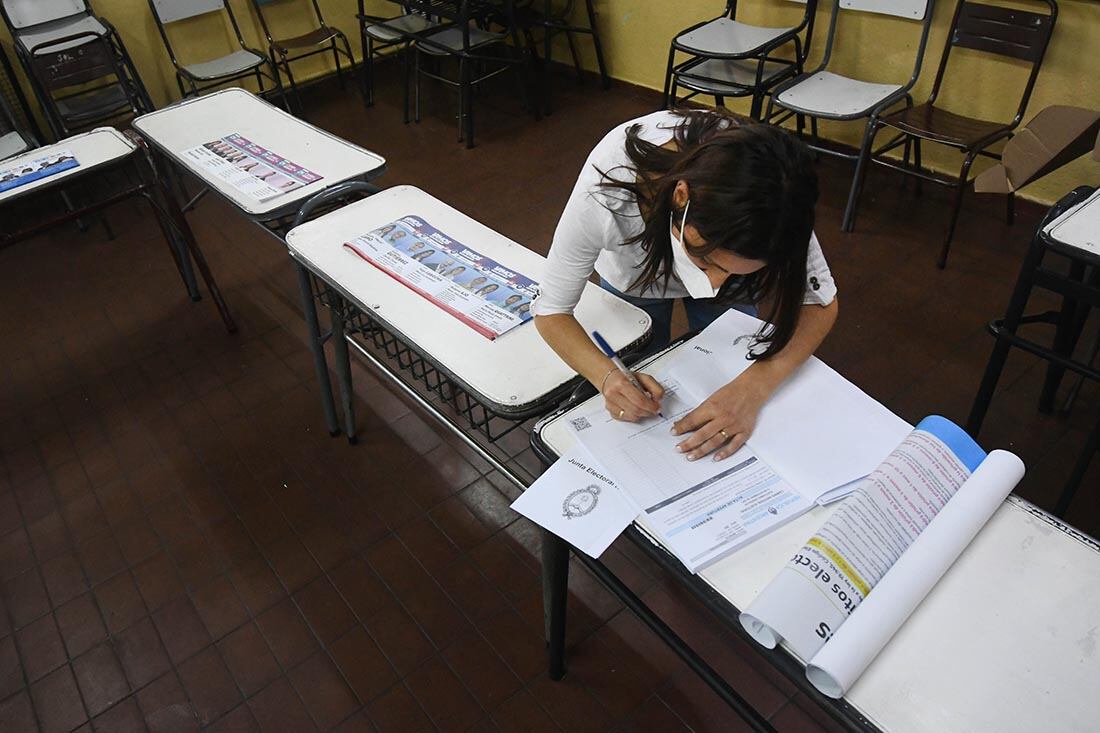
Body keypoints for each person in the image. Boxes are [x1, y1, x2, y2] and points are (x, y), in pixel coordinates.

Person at [532, 108, 838, 462]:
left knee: (730, 365)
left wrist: (753, 387)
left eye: (738, 271)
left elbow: (821, 304)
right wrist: (606, 379)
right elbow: (550, 310)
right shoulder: (605, 194)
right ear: (681, 197)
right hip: (635, 278)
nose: (712, 285)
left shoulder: (777, 201)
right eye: (708, 261)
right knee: (642, 368)